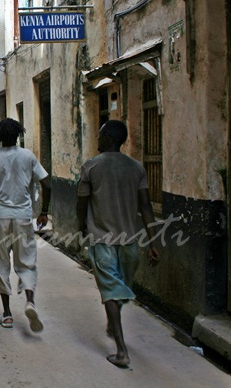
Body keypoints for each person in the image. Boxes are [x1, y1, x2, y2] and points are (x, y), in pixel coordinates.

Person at [76, 119, 161, 368]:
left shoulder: (91, 167)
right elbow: (146, 206)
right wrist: (153, 242)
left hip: (102, 240)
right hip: (129, 242)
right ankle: (113, 325)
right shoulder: (136, 168)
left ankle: (122, 351)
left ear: (107, 139)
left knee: (112, 291)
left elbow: (82, 203)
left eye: (100, 135)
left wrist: (81, 225)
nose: (97, 138)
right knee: (117, 288)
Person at [0, 118, 51, 332]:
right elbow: (46, 184)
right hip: (23, 217)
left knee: (0, 263)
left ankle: (7, 314)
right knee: (27, 261)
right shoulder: (28, 156)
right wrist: (44, 212)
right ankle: (30, 301)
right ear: (18, 135)